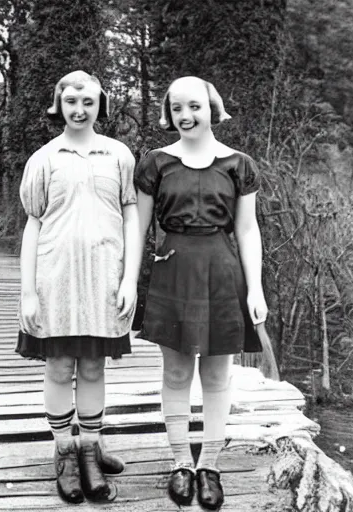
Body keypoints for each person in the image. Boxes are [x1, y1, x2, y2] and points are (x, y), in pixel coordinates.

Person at [135, 76, 268, 510]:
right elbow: (139, 228)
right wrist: (126, 282)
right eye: (177, 109)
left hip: (222, 271)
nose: (186, 116)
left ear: (212, 107)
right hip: (171, 268)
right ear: (168, 113)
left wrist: (256, 288)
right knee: (175, 373)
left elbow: (247, 229)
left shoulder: (238, 164)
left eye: (195, 106)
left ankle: (208, 464)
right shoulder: (156, 163)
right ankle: (179, 463)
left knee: (216, 374)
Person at [17, 70, 140, 504]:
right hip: (56, 278)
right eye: (71, 101)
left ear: (99, 105)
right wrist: (28, 291)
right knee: (59, 367)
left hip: (104, 278)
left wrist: (130, 278)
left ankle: (91, 448)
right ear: (59, 104)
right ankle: (65, 452)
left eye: (88, 101)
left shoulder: (119, 155)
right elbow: (33, 225)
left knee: (92, 367)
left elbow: (131, 217)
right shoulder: (45, 158)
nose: (79, 109)